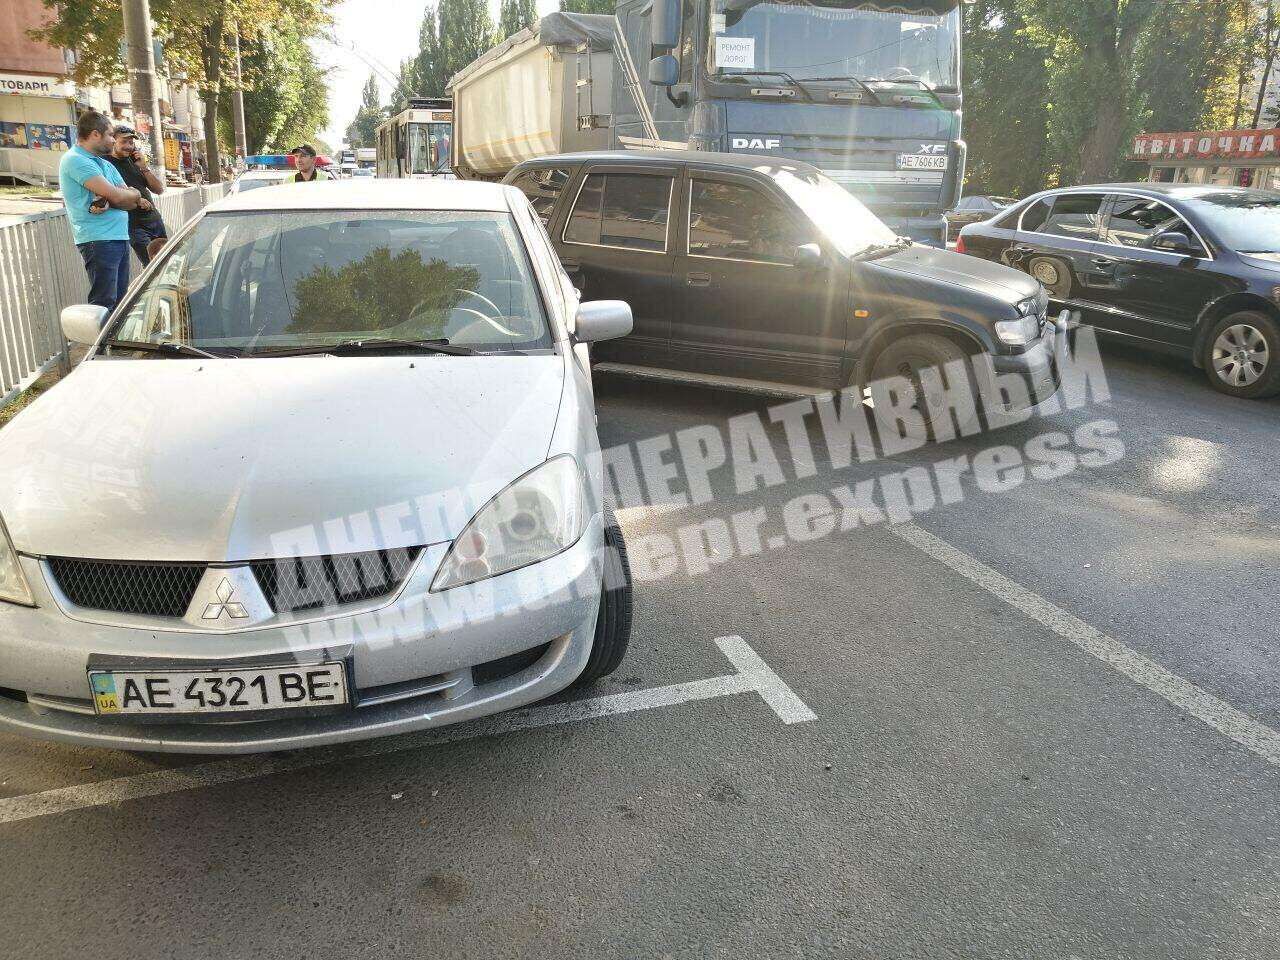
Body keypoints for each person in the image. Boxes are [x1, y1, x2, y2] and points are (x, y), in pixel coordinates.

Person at [58, 110, 141, 316]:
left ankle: (115, 347)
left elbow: (132, 201)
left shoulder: (104, 164)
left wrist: (131, 194)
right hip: (99, 240)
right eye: (110, 135)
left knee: (120, 304)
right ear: (95, 134)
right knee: (104, 305)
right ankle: (102, 347)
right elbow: (121, 197)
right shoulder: (75, 160)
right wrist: (123, 196)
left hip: (118, 237)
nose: (113, 140)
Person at [106, 124, 168, 265]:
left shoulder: (135, 161)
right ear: (113, 141)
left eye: (131, 142)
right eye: (124, 142)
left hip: (154, 220)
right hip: (134, 225)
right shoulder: (106, 164)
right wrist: (136, 199)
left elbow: (159, 190)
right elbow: (110, 192)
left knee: (168, 262)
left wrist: (144, 168)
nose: (128, 146)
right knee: (153, 266)